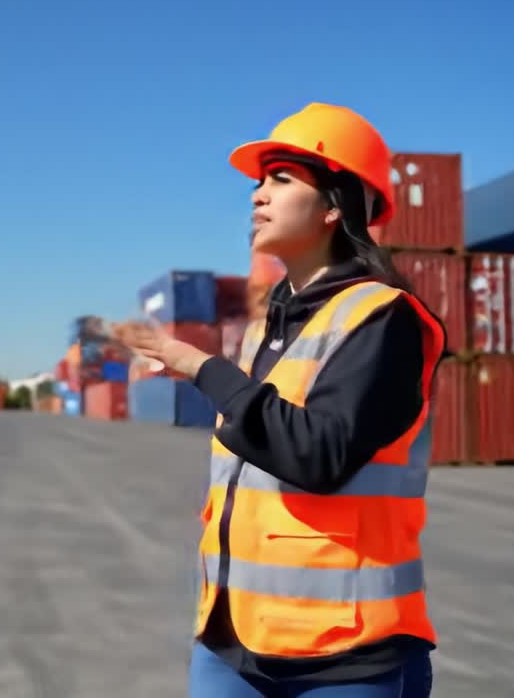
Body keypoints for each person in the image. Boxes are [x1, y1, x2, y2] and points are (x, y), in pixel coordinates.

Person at [118, 103, 447, 698]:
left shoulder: (382, 318)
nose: (257, 196)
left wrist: (202, 367)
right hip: (232, 639)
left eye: (281, 178)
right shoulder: (263, 330)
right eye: (257, 182)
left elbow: (317, 454)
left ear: (333, 206)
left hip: (344, 659)